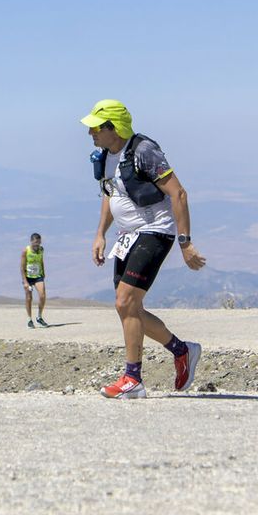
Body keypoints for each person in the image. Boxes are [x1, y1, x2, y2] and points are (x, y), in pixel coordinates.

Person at [81, 99, 205, 399]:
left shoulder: (144, 151)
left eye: (96, 128)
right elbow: (111, 196)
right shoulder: (106, 156)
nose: (91, 134)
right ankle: (181, 350)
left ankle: (132, 379)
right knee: (127, 306)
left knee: (125, 302)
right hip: (127, 236)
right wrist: (100, 234)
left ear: (114, 128)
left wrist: (185, 243)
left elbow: (178, 193)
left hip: (155, 231)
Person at [22, 233, 49, 328]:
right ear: (31, 242)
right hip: (28, 277)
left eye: (38, 243)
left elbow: (41, 261)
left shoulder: (41, 249)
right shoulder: (26, 251)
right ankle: (29, 319)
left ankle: (39, 317)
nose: (37, 245)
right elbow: (22, 267)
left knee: (42, 295)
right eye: (35, 243)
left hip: (38, 276)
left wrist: (43, 272)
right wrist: (25, 281)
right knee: (29, 298)